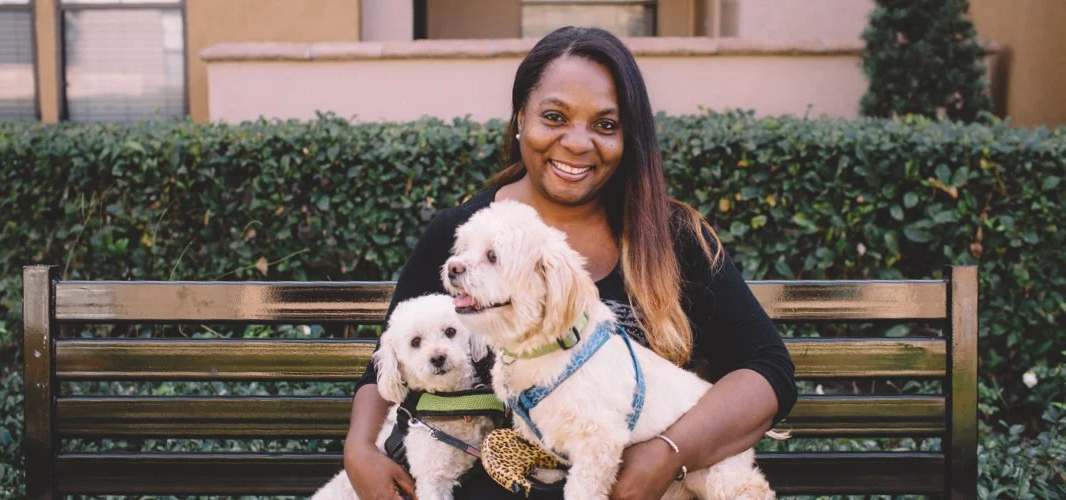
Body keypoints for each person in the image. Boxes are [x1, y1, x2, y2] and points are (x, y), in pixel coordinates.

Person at [341, 26, 796, 500]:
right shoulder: (462, 238)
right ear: (521, 119)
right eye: (554, 116)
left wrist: (666, 453)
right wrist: (358, 451)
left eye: (605, 124)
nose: (578, 143)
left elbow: (765, 370)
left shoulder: (670, 239)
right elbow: (388, 364)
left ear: (628, 137)